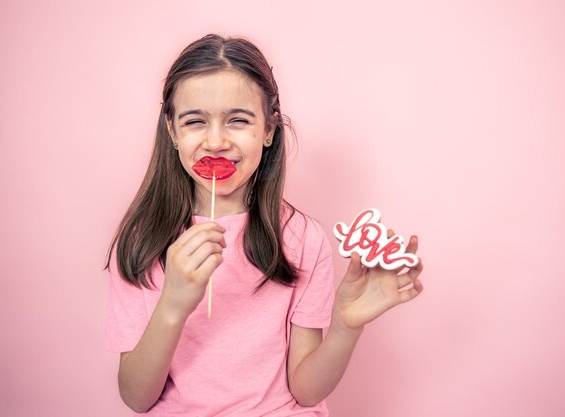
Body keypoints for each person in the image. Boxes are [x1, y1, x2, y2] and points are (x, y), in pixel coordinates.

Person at [103, 33, 424, 417]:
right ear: (171, 131)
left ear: (269, 130)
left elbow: (305, 392)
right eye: (194, 122)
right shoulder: (141, 242)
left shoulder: (301, 238)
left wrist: (344, 324)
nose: (217, 141)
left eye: (238, 120)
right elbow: (136, 397)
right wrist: (172, 302)